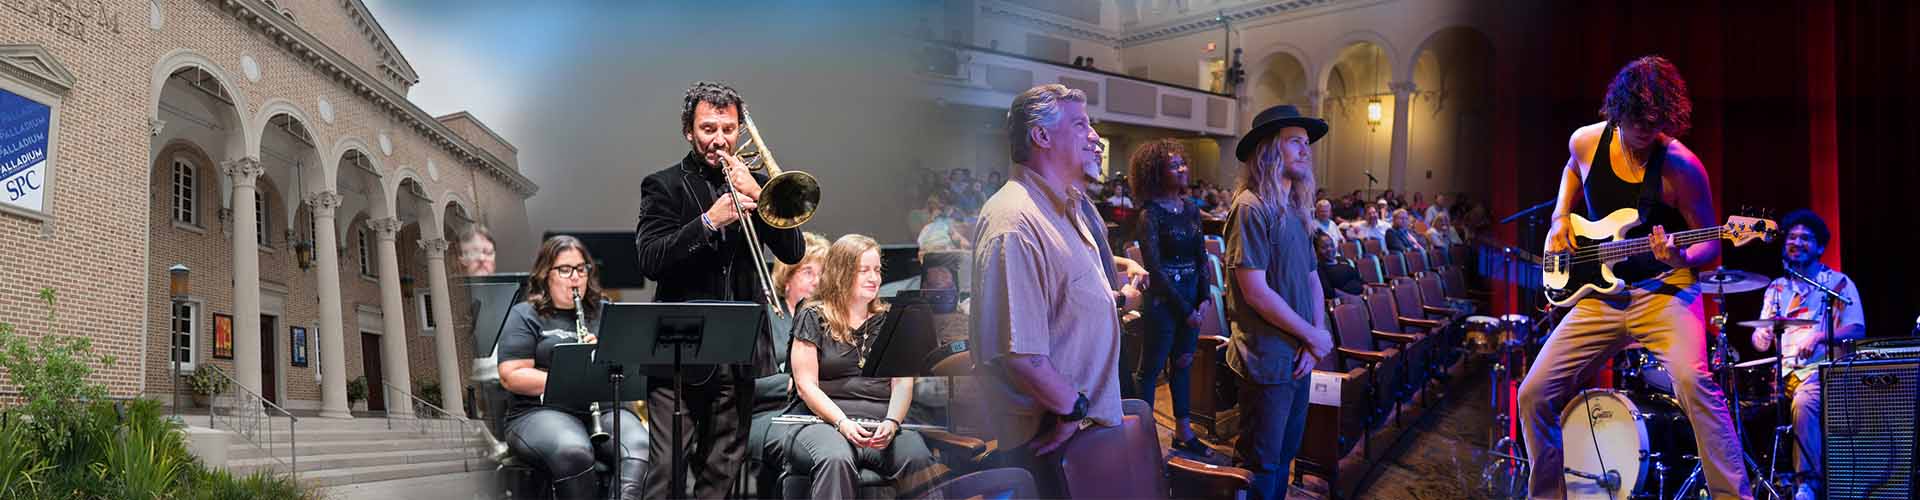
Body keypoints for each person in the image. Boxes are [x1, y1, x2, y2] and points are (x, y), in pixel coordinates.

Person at [1519, 56, 1751, 499]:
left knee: (1693, 382)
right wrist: (1558, 217)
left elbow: (1713, 242)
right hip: (1600, 296)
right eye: (1639, 121)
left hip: (1665, 292)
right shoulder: (1586, 142)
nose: (1648, 131)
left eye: (1657, 122)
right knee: (1532, 394)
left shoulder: (1681, 165)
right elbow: (1571, 170)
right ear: (1617, 111)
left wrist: (1680, 255)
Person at [969, 84, 1147, 497]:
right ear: (1042, 136)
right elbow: (1022, 354)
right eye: (1081, 124)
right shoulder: (1014, 220)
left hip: (1083, 431)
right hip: (1054, 438)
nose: (1094, 137)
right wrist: (1073, 408)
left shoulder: (1065, 208)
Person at [633, 81, 806, 498]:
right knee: (666, 470)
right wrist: (708, 221)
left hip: (739, 348)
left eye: (728, 129)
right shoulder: (663, 185)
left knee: (723, 472)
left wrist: (759, 194)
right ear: (688, 131)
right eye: (708, 128)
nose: (719, 140)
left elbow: (794, 249)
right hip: (677, 351)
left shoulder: (756, 183)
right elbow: (651, 259)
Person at [1222, 104, 1335, 500]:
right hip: (1267, 359)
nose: (1306, 150)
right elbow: (1254, 290)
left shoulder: (1296, 208)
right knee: (1260, 464)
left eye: (1307, 144)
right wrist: (1311, 335)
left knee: (1285, 455)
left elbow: (1310, 278)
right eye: (1295, 142)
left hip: (1298, 354)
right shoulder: (1251, 206)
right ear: (1270, 149)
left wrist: (1314, 337)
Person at [780, 235, 936, 498]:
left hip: (881, 423)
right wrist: (842, 422)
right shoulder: (812, 315)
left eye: (876, 270)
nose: (873, 278)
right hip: (821, 422)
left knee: (917, 456)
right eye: (863, 270)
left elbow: (902, 383)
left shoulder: (891, 319)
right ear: (841, 272)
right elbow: (806, 386)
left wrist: (893, 420)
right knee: (836, 458)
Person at [497, 236, 649, 499]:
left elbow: (630, 368)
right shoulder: (526, 314)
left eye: (581, 269)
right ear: (546, 274)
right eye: (565, 270)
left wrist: (606, 354)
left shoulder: (605, 311)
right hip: (540, 411)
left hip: (604, 409)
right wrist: (570, 376)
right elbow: (511, 376)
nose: (575, 277)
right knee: (573, 450)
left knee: (639, 446)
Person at [1749, 209, 1862, 500]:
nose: (1796, 242)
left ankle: (1808, 483)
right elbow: (1761, 342)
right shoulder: (1776, 289)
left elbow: (1857, 328)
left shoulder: (1837, 284)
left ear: (1820, 247)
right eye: (1791, 237)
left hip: (1821, 373)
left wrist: (1820, 335)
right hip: (1782, 374)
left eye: (1805, 238)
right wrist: (1760, 335)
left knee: (1805, 400)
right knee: (1737, 403)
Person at [1126, 138, 1215, 456]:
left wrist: (1205, 298)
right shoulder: (1150, 214)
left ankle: (1183, 432)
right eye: (1174, 165)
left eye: (1183, 163)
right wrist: (1185, 310)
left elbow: (1201, 256)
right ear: (1156, 173)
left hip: (1192, 299)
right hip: (1165, 302)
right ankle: (1143, 437)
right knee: (1149, 370)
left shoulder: (1191, 208)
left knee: (1183, 363)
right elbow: (1155, 269)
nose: (1182, 169)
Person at [754, 232, 831, 473]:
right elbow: (747, 380)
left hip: (819, 414)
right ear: (787, 277)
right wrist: (796, 383)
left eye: (822, 274)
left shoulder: (831, 320)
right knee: (808, 448)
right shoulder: (763, 315)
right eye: (808, 272)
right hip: (769, 414)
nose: (817, 281)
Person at [1314, 233, 1364, 299]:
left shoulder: (1342, 260)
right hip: (1347, 302)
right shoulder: (1319, 268)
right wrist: (1353, 298)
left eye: (1331, 245)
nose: (1329, 249)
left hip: (1362, 296)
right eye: (1324, 247)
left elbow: (1359, 279)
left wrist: (1366, 287)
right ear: (1316, 251)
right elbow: (1330, 292)